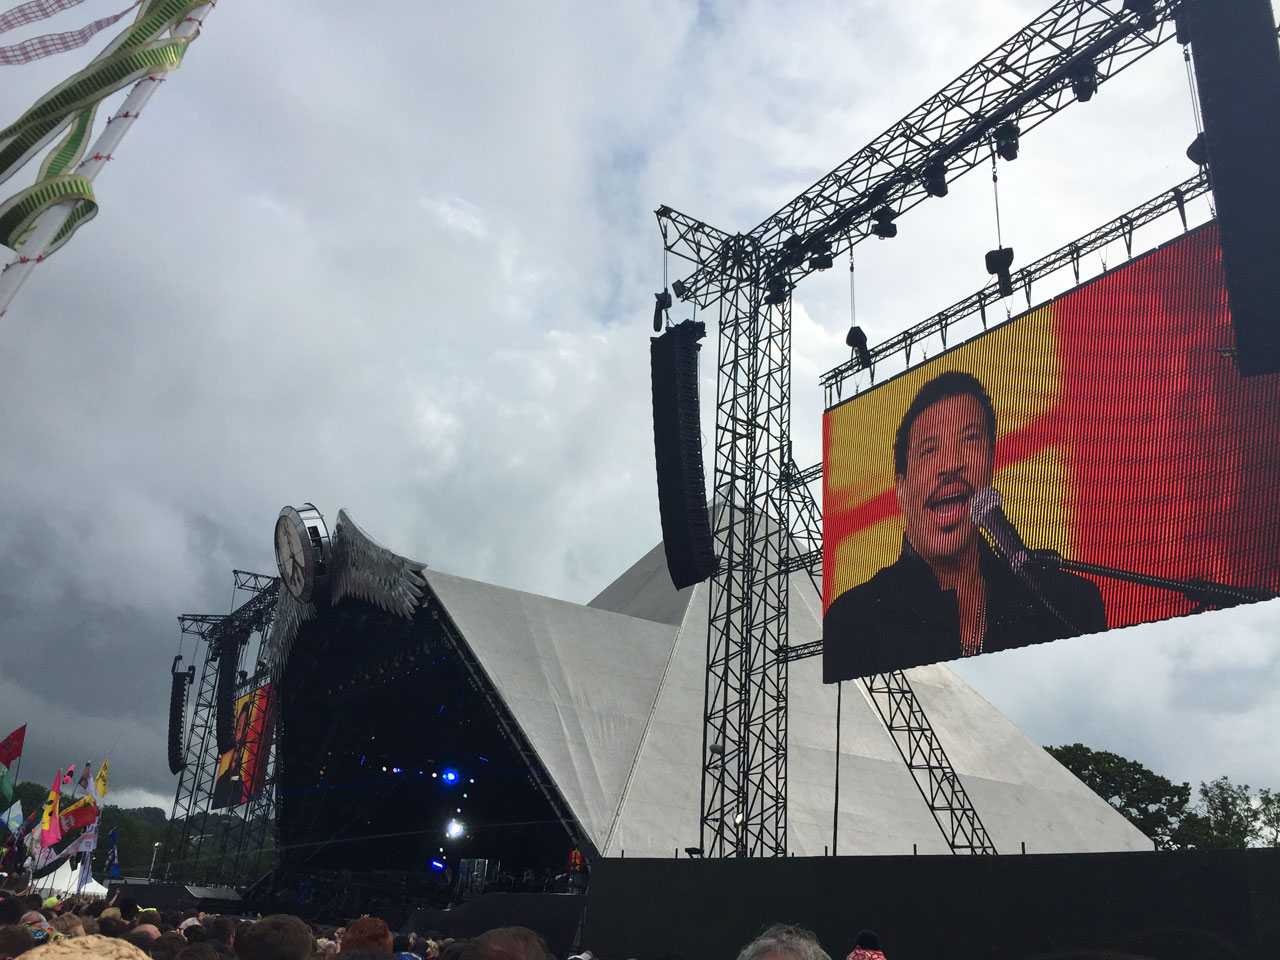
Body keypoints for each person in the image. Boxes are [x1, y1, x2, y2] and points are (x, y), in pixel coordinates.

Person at [824, 370, 1106, 681]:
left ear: (991, 461)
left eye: (969, 439)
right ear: (900, 488)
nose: (950, 464)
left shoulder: (1068, 602)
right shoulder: (854, 620)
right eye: (929, 450)